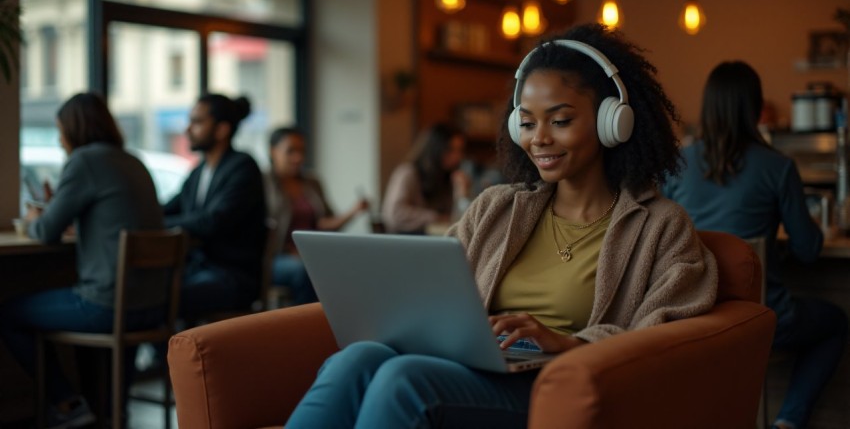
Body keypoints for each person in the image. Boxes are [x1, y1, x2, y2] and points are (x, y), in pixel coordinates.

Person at [285, 23, 719, 428]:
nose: (539, 138)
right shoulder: (497, 207)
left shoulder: (660, 225)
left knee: (403, 378)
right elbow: (435, 289)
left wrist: (571, 343)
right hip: (475, 364)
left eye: (561, 120)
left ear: (613, 123)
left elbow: (666, 333)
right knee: (358, 357)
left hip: (554, 383)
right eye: (526, 123)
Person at [663, 61, 847, 429]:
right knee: (837, 322)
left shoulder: (677, 164)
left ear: (708, 106)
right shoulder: (778, 167)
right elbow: (809, 251)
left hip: (690, 320)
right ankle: (788, 422)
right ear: (756, 108)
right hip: (760, 319)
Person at [0, 92, 164, 428]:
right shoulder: (133, 161)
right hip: (153, 304)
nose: (60, 141)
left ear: (74, 130)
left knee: (7, 314)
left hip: (108, 305)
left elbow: (46, 232)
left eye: (61, 131)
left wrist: (34, 216)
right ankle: (111, 410)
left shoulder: (85, 161)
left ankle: (67, 403)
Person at [163, 93, 266, 320]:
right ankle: (171, 355)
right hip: (199, 270)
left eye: (197, 122)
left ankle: (171, 356)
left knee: (161, 298)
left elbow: (212, 221)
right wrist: (135, 215)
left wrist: (155, 223)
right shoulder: (199, 171)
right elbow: (170, 207)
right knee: (143, 292)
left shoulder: (243, 167)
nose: (188, 129)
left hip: (233, 276)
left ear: (222, 130)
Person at [265, 127, 370, 305]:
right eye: (291, 151)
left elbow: (324, 223)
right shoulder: (263, 183)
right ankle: (309, 326)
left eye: (302, 151)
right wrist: (290, 251)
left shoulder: (312, 183)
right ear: (273, 151)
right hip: (276, 257)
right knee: (305, 271)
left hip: (312, 254)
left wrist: (353, 211)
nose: (298, 157)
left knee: (358, 263)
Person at [381, 123, 471, 234]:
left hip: (437, 241)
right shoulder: (408, 173)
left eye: (460, 150)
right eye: (450, 150)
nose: (457, 156)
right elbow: (394, 214)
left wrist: (462, 195)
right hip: (406, 242)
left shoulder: (449, 178)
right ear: (435, 149)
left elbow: (459, 223)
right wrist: (436, 218)